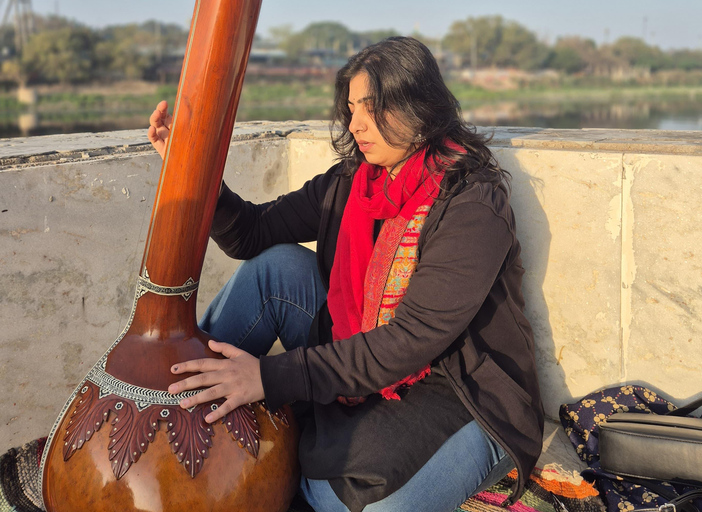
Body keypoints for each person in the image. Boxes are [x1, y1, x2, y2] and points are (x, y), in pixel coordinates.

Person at [148, 36, 544, 512]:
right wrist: (189, 167)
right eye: (352, 108)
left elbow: (409, 340)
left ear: (416, 104)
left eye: (371, 107)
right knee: (274, 268)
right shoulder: (355, 180)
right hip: (366, 349)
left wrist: (270, 377)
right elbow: (251, 233)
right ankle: (173, 399)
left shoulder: (471, 204)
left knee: (356, 503)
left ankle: (264, 419)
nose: (355, 124)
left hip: (459, 390)